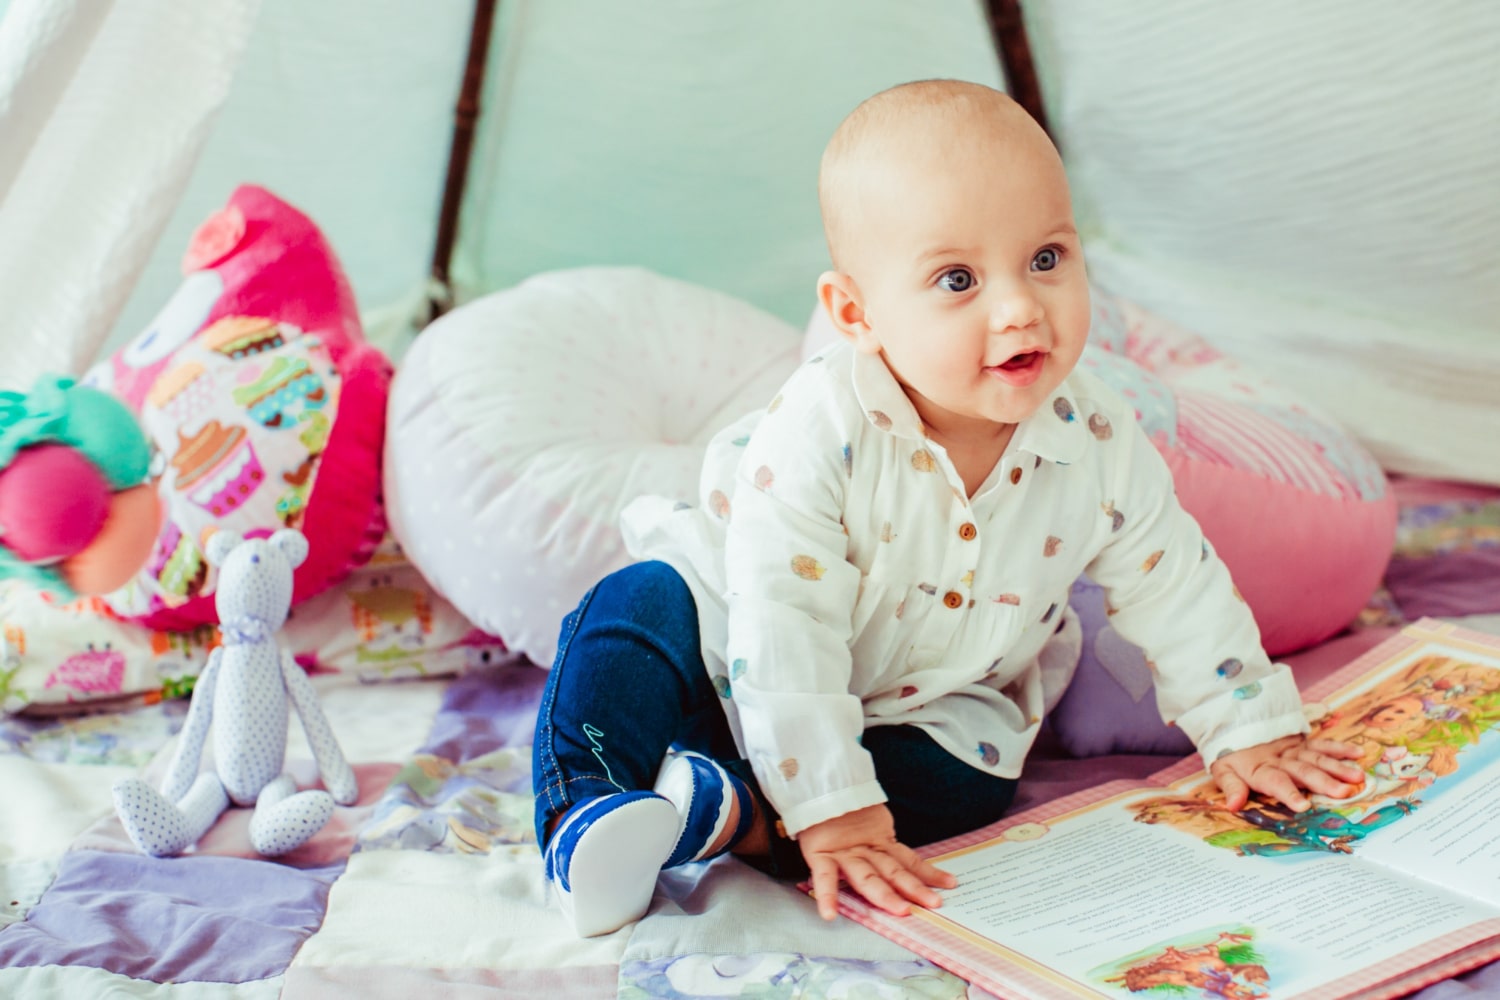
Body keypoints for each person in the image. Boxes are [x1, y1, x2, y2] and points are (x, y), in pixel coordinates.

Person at [531, 78, 1365, 938]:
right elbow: (786, 625)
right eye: (958, 279)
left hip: (926, 701)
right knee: (634, 608)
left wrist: (1250, 731)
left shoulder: (1099, 435)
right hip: (731, 642)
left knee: (969, 784)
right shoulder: (819, 431)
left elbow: (1175, 585)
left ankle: (725, 811)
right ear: (857, 313)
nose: (1019, 308)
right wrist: (831, 805)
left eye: (1047, 259)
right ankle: (587, 814)